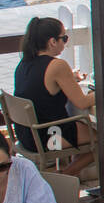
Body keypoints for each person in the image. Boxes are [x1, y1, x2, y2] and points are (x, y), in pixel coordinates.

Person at [13, 17, 96, 177]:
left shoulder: (23, 64)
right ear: (52, 41)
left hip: (27, 136)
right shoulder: (57, 65)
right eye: (64, 38)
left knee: (82, 131)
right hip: (50, 137)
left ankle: (69, 177)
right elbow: (82, 101)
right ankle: (65, 176)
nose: (65, 43)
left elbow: (42, 85)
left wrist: (70, 78)